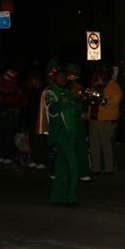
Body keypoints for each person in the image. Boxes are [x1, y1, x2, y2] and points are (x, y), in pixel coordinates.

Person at [42, 68, 79, 206]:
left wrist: (79, 98)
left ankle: (57, 197)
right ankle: (71, 198)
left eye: (65, 77)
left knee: (61, 165)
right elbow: (54, 109)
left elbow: (76, 112)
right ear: (53, 78)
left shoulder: (65, 92)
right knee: (73, 163)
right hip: (60, 133)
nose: (64, 80)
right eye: (61, 77)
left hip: (70, 132)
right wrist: (70, 94)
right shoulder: (49, 92)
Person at [88, 65, 121, 176]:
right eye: (101, 72)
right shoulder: (97, 85)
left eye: (105, 72)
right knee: (94, 145)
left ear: (110, 73)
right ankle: (95, 168)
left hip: (106, 120)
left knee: (106, 145)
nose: (103, 74)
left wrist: (102, 100)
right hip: (94, 118)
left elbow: (115, 102)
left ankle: (108, 168)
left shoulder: (114, 86)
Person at [65, 65, 92, 182]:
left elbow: (83, 101)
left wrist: (84, 107)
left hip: (79, 120)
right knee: (67, 147)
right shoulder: (64, 89)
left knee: (82, 146)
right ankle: (62, 171)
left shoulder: (79, 87)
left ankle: (83, 172)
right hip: (68, 120)